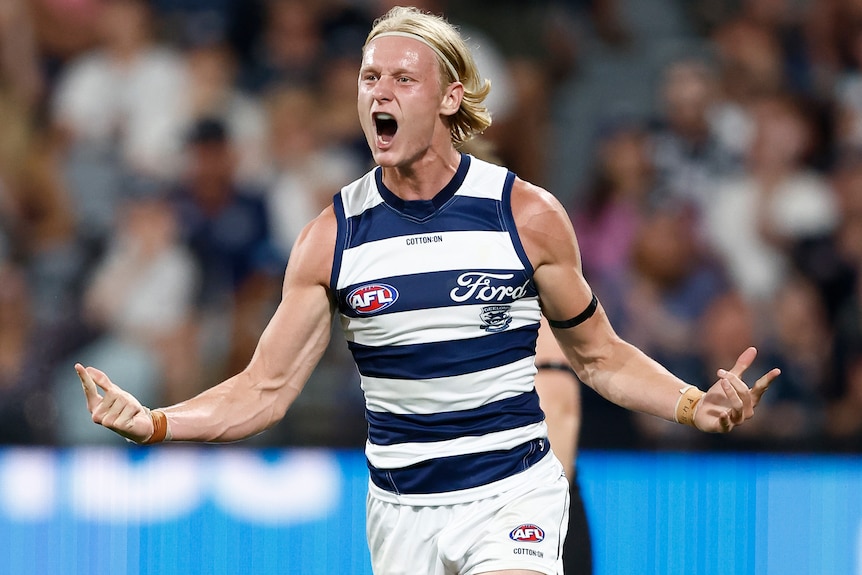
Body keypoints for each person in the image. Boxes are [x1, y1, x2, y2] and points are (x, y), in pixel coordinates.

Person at [75, 7, 780, 575]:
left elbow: (600, 358)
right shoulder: (332, 236)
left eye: (401, 79)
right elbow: (265, 389)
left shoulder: (526, 216)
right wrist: (159, 421)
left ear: (450, 97)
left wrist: (692, 403)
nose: (378, 91)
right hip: (402, 514)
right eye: (368, 76)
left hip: (513, 495)